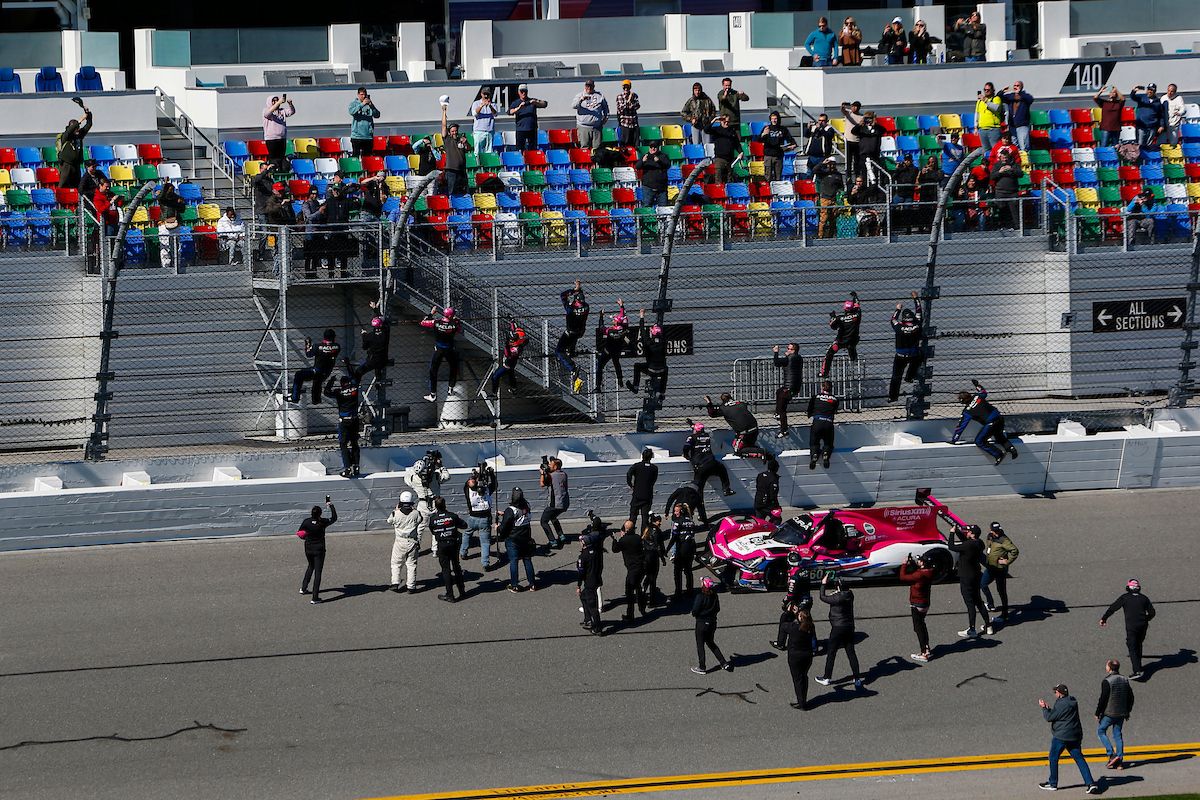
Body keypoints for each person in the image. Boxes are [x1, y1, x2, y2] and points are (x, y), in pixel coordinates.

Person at [1038, 684, 1101, 793]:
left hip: (1061, 736)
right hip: (1075, 736)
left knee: (1053, 757)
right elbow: (1060, 715)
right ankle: (1091, 784)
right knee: (1079, 759)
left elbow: (1049, 717)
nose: (1055, 694)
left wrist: (1044, 708)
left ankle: (1052, 783)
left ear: (1060, 693)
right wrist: (1050, 709)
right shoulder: (1072, 701)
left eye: (1056, 692)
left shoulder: (1061, 703)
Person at [814, 574, 864, 690]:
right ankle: (857, 678)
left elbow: (822, 597)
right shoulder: (850, 595)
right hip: (849, 627)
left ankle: (827, 678)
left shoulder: (837, 598)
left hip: (837, 628)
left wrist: (823, 584)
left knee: (831, 653)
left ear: (839, 587)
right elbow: (838, 594)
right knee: (851, 652)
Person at [952, 379, 1019, 464]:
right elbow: (983, 391)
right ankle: (1011, 449)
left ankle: (998, 454)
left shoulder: (967, 411)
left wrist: (954, 439)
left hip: (991, 423)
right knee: (999, 436)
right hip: (999, 418)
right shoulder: (977, 396)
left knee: (979, 441)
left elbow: (961, 426)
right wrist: (977, 385)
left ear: (962, 401)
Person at [1100, 579, 1155, 679]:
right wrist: (1146, 619)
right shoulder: (1144, 598)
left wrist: (1104, 618)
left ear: (1128, 588)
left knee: (1132, 646)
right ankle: (1138, 664)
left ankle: (1137, 671)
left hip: (1132, 627)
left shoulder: (1125, 598)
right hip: (1143, 625)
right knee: (1138, 643)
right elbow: (1152, 613)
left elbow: (1113, 608)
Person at [947, 524, 990, 637]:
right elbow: (966, 540)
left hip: (966, 577)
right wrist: (957, 531)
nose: (967, 532)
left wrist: (951, 533)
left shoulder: (967, 545)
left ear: (973, 534)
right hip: (976, 574)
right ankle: (988, 625)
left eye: (969, 532)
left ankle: (972, 629)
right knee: (978, 601)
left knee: (970, 603)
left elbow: (951, 546)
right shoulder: (979, 543)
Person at [404, 449, 449, 551]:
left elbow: (407, 476)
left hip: (422, 503)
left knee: (420, 527)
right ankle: (435, 549)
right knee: (437, 525)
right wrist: (441, 467)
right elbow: (447, 477)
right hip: (436, 503)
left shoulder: (413, 479)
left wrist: (416, 467)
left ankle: (416, 547)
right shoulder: (435, 476)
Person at [1095, 659, 1135, 770]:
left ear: (1110, 668)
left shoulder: (1107, 681)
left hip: (1109, 713)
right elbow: (1131, 697)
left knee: (1101, 731)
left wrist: (1098, 713)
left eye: (1106, 665)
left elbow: (1103, 699)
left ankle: (1111, 754)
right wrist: (1128, 711)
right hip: (1121, 713)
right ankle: (1120, 762)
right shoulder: (1124, 679)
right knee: (1117, 735)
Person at [497, 487, 538, 592]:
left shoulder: (510, 510)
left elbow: (504, 526)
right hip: (526, 538)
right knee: (527, 560)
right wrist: (504, 514)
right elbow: (519, 515)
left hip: (513, 539)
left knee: (514, 561)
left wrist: (497, 527)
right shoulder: (527, 506)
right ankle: (532, 584)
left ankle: (514, 585)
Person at [705, 392, 766, 462]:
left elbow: (712, 414)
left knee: (738, 451)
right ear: (731, 397)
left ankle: (761, 452)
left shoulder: (723, 408)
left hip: (744, 433)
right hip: (755, 429)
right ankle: (757, 451)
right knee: (748, 445)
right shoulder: (741, 403)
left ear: (722, 400)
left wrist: (709, 403)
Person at [297, 498, 337, 604]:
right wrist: (331, 505)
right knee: (318, 573)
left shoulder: (306, 521)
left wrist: (306, 538)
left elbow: (300, 533)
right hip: (319, 550)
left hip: (308, 548)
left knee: (310, 566)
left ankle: (303, 588)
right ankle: (315, 598)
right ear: (320, 514)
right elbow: (334, 518)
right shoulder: (322, 522)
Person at [428, 496, 467, 603]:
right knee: (456, 567)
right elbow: (464, 525)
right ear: (445, 505)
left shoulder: (433, 518)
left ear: (435, 506)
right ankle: (462, 591)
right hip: (453, 544)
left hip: (442, 545)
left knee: (446, 570)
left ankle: (450, 595)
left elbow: (432, 530)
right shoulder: (452, 516)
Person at [778, 602, 816, 709]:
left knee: (797, 680)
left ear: (800, 618)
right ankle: (803, 698)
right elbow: (802, 622)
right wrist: (797, 614)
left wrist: (788, 612)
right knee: (804, 677)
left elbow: (783, 625)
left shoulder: (794, 628)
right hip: (807, 656)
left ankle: (802, 703)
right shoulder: (810, 627)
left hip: (795, 657)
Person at [419, 305, 461, 402]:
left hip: (439, 350)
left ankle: (433, 394)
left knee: (433, 371)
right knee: (453, 368)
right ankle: (451, 388)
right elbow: (459, 329)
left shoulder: (436, 322)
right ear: (451, 316)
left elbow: (423, 322)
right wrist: (456, 320)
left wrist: (431, 314)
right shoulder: (454, 324)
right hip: (450, 349)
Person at [691, 577, 732, 674]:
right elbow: (718, 609)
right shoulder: (715, 596)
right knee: (710, 642)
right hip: (712, 623)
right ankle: (723, 662)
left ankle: (702, 667)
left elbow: (695, 611)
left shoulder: (700, 596)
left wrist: (698, 615)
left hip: (701, 624)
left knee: (700, 645)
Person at [899, 552, 935, 662]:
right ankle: (927, 647)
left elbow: (903, 577)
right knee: (922, 625)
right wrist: (914, 563)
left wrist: (904, 564)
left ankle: (924, 653)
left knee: (918, 628)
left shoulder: (919, 575)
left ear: (924, 564)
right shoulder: (930, 572)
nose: (919, 561)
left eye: (921, 561)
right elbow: (917, 570)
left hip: (917, 603)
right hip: (925, 603)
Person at [324, 373, 361, 478]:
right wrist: (348, 364)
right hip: (355, 420)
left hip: (344, 422)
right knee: (354, 443)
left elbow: (326, 392)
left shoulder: (338, 392)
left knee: (343, 444)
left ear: (341, 384)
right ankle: (356, 467)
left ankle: (347, 469)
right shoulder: (354, 389)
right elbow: (355, 377)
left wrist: (331, 381)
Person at [981, 521, 1019, 624]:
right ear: (991, 531)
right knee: (982, 584)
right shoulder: (989, 536)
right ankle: (990, 604)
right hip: (990, 567)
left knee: (1001, 591)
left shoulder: (1004, 539)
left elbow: (1014, 551)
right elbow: (989, 547)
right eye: (995, 531)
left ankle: (1005, 614)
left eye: (998, 530)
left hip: (1000, 569)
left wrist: (1006, 561)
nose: (997, 532)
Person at [555, 280, 590, 393]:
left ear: (575, 300)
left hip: (570, 334)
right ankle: (572, 352)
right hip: (579, 333)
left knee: (559, 351)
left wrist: (574, 290)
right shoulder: (586, 307)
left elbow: (562, 295)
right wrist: (578, 289)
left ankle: (573, 368)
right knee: (570, 351)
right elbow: (580, 300)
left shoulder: (570, 309)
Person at [683, 422, 734, 498]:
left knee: (698, 487)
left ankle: (698, 503)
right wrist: (692, 424)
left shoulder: (691, 437)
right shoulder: (707, 436)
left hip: (700, 466)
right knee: (722, 469)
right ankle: (726, 489)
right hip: (712, 464)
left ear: (695, 431)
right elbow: (699, 431)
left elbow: (686, 447)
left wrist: (686, 456)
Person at [290, 329, 340, 405]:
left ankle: (294, 397)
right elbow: (329, 348)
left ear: (324, 337)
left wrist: (308, 343)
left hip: (317, 370)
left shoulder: (317, 346)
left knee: (298, 374)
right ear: (333, 337)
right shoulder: (337, 347)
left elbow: (308, 354)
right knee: (317, 381)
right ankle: (316, 400)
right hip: (326, 372)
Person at [889, 291, 923, 402]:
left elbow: (893, 319)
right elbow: (919, 311)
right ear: (912, 318)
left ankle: (893, 397)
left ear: (903, 319)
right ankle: (909, 377)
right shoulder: (917, 324)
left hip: (900, 355)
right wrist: (916, 298)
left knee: (895, 377)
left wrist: (898, 309)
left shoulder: (898, 326)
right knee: (919, 357)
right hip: (913, 354)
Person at [627, 309, 669, 399]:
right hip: (661, 370)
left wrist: (641, 316)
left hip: (651, 369)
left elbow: (642, 330)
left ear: (652, 333)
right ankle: (662, 393)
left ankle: (635, 387)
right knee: (666, 368)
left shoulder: (648, 342)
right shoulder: (663, 342)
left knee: (637, 366)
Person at [387, 491, 424, 593]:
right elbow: (420, 520)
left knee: (396, 563)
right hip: (412, 542)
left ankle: (395, 582)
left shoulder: (395, 513)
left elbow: (389, 521)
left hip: (400, 541)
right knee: (411, 564)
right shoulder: (416, 513)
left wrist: (396, 509)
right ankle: (411, 586)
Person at [485, 315, 528, 399]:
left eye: (513, 339)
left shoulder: (516, 349)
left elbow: (509, 355)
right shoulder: (517, 336)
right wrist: (512, 320)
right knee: (511, 375)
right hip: (509, 362)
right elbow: (514, 328)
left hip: (508, 364)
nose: (511, 340)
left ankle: (494, 394)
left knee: (495, 376)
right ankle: (514, 389)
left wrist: (507, 346)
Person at [461, 468, 497, 570]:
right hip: (485, 519)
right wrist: (491, 474)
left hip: (472, 517)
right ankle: (485, 563)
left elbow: (468, 483)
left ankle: (463, 552)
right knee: (485, 542)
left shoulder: (468, 489)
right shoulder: (487, 489)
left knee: (467, 534)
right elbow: (494, 484)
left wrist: (475, 475)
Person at [612, 520, 647, 620]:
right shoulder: (637, 538)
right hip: (641, 567)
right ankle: (642, 608)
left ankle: (630, 614)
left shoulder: (624, 540)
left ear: (626, 530)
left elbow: (615, 549)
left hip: (632, 569)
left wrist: (615, 539)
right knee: (638, 588)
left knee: (629, 592)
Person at [822, 291, 861, 377]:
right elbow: (858, 306)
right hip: (852, 341)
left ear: (845, 309)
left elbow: (833, 326)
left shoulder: (840, 318)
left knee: (830, 353)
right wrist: (855, 297)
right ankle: (853, 357)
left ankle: (824, 373)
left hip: (840, 342)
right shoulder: (857, 316)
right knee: (851, 346)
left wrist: (832, 316)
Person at [668, 501, 702, 598]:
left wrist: (667, 550)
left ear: (681, 511)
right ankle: (690, 590)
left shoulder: (677, 522)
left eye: (676, 511)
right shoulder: (691, 522)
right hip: (690, 549)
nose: (675, 513)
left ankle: (678, 592)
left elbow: (674, 537)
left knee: (677, 571)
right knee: (688, 570)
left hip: (681, 550)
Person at [57, 101, 93, 189]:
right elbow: (69, 130)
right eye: (76, 128)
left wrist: (88, 114)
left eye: (78, 128)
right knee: (63, 183)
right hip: (67, 164)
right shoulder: (65, 136)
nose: (77, 130)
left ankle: (76, 200)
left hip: (76, 164)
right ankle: (60, 200)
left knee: (76, 184)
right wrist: (80, 120)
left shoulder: (79, 135)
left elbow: (89, 124)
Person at [594, 302, 630, 393]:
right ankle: (620, 380)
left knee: (599, 366)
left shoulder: (610, 331)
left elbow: (601, 327)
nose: (612, 320)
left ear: (616, 322)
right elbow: (623, 316)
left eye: (614, 320)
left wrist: (601, 316)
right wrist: (621, 306)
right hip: (616, 351)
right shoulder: (624, 329)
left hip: (608, 351)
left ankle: (598, 386)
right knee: (617, 364)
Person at [577, 522, 605, 634]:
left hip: (589, 582)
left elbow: (580, 572)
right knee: (583, 597)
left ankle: (597, 628)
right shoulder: (596, 552)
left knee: (592, 606)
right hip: (597, 579)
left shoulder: (583, 556)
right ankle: (587, 619)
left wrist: (578, 585)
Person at [439, 103, 471, 196]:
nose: (454, 132)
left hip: (462, 170)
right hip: (451, 170)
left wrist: (466, 143)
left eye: (456, 131)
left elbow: (468, 148)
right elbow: (443, 126)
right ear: (449, 132)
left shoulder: (462, 139)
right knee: (452, 192)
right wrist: (444, 111)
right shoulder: (447, 139)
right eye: (452, 131)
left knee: (465, 192)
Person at [806, 380, 839, 470]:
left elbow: (810, 409)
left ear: (822, 387)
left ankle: (814, 455)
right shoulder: (835, 399)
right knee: (828, 443)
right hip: (828, 422)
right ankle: (826, 454)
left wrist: (810, 415)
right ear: (831, 388)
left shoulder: (816, 397)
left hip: (817, 422)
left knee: (814, 442)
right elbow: (835, 410)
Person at [772, 343, 803, 437]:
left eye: (790, 349)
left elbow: (777, 363)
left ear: (794, 350)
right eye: (788, 348)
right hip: (794, 386)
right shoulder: (798, 357)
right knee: (778, 391)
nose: (788, 350)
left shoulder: (790, 358)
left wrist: (776, 352)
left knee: (782, 409)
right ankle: (777, 414)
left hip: (789, 388)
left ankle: (784, 430)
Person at [539, 456, 569, 549]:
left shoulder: (551, 476)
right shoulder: (564, 474)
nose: (549, 466)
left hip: (555, 503)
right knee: (553, 517)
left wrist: (543, 473)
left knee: (543, 521)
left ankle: (552, 541)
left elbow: (542, 484)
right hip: (565, 503)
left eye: (551, 465)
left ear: (556, 467)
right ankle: (561, 535)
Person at [572, 79, 609, 154]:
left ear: (593, 86)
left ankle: (597, 165)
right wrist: (581, 100)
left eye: (590, 86)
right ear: (585, 86)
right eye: (587, 86)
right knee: (584, 148)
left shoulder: (599, 96)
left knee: (597, 148)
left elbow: (606, 109)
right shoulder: (579, 95)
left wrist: (605, 118)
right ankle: (586, 165)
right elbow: (574, 106)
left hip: (597, 127)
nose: (589, 88)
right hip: (583, 127)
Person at [508, 84, 548, 153]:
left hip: (532, 129)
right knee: (520, 149)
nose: (524, 93)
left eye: (525, 91)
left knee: (533, 149)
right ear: (519, 92)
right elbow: (510, 112)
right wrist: (519, 108)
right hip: (521, 129)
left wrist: (536, 102)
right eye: (522, 91)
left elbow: (544, 104)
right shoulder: (516, 102)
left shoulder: (532, 101)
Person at [626, 448, 658, 532]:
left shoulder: (637, 466)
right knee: (645, 518)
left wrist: (631, 485)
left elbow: (629, 474)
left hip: (637, 495)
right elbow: (654, 480)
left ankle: (630, 533)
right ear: (651, 457)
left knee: (633, 516)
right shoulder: (654, 468)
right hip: (647, 495)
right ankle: (643, 536)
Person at [759, 111, 797, 183]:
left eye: (775, 118)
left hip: (778, 155)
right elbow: (759, 140)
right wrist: (763, 134)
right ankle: (768, 192)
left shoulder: (783, 129)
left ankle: (777, 192)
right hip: (768, 155)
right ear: (770, 119)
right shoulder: (766, 128)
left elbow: (790, 139)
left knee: (778, 177)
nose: (774, 120)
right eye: (772, 119)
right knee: (768, 176)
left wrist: (793, 144)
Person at [990, 149, 1023, 230]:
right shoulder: (997, 165)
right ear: (1000, 157)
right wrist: (999, 172)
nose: (1004, 159)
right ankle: (1002, 227)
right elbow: (992, 177)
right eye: (1003, 157)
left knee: (1014, 211)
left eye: (1006, 157)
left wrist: (1012, 169)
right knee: (1002, 210)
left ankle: (1017, 228)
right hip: (1000, 192)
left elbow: (1020, 174)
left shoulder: (1014, 164)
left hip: (1012, 192)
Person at [999, 81, 1035, 152]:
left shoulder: (1025, 96)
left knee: (1024, 146)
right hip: (1012, 126)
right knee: (1014, 146)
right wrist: (1002, 91)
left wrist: (1020, 93)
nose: (1016, 87)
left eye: (1018, 85)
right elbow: (999, 98)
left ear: (1021, 87)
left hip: (1022, 125)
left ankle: (1026, 162)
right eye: (1015, 85)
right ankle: (1017, 162)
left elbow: (1031, 99)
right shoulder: (1011, 96)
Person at [262, 94, 295, 171]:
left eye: (277, 100)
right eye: (273, 101)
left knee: (281, 158)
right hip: (271, 139)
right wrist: (278, 103)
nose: (276, 102)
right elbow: (267, 114)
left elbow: (292, 112)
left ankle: (281, 173)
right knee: (273, 158)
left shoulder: (282, 111)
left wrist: (290, 104)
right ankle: (273, 172)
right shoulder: (266, 110)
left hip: (282, 138)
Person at [814, 157, 844, 239]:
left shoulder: (838, 175)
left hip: (834, 199)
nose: (832, 166)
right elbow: (815, 170)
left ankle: (830, 236)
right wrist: (822, 163)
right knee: (823, 219)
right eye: (830, 164)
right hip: (825, 199)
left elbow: (841, 187)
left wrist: (840, 196)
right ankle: (820, 236)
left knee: (833, 220)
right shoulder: (823, 173)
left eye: (833, 164)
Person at [708, 114, 742, 184]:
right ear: (721, 121)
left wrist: (741, 152)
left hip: (730, 158)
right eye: (724, 121)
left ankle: (729, 193)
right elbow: (706, 129)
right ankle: (719, 192)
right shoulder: (716, 130)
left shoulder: (732, 131)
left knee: (729, 178)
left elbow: (736, 143)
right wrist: (714, 120)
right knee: (718, 177)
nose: (726, 123)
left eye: (728, 122)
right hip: (719, 158)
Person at [850, 111, 882, 183]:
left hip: (874, 155)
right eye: (867, 118)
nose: (868, 120)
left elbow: (882, 132)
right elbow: (853, 131)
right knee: (864, 173)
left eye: (870, 118)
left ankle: (875, 187)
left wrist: (875, 124)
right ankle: (865, 187)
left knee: (875, 173)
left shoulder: (877, 129)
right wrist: (860, 123)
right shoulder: (862, 128)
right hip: (863, 154)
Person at [1130, 84, 1166, 148]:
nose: (1149, 91)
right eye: (1148, 89)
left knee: (1149, 144)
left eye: (1151, 90)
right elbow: (1133, 97)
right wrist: (1134, 91)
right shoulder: (1141, 97)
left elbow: (1161, 115)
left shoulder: (1158, 102)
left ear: (1154, 91)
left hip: (1152, 126)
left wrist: (1161, 125)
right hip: (1141, 126)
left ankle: (1147, 157)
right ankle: (1140, 157)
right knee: (1140, 143)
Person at [348, 87, 381, 157]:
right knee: (355, 155)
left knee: (367, 157)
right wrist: (362, 104)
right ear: (358, 94)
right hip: (357, 136)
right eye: (362, 94)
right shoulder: (353, 104)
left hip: (368, 136)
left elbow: (377, 115)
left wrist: (372, 106)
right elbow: (351, 112)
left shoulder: (370, 105)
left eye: (365, 95)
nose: (363, 96)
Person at [639, 141, 670, 208]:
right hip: (648, 187)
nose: (653, 149)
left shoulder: (663, 156)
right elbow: (637, 166)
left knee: (663, 207)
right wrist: (643, 161)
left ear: (658, 148)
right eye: (651, 147)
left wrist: (659, 161)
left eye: (655, 147)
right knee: (647, 207)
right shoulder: (645, 156)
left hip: (661, 188)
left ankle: (662, 219)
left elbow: (667, 165)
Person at [839, 101, 864, 182]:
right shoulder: (849, 114)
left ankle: (857, 176)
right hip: (848, 141)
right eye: (853, 106)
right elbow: (843, 110)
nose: (854, 108)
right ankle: (848, 177)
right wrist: (843, 105)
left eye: (856, 107)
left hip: (857, 141)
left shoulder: (861, 117)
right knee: (848, 160)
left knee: (857, 161)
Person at [975, 82, 1003, 152]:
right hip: (982, 129)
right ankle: (987, 162)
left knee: (995, 150)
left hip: (993, 129)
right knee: (985, 150)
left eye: (988, 90)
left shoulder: (996, 99)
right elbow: (977, 113)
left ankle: (996, 163)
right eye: (985, 90)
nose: (986, 91)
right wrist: (975, 126)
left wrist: (985, 100)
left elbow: (996, 108)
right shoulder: (979, 101)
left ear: (993, 90)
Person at [469, 87, 497, 155]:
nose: (486, 96)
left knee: (489, 152)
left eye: (487, 94)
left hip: (490, 131)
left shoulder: (493, 104)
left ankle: (488, 165)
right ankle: (478, 165)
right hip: (479, 132)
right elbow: (474, 113)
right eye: (484, 94)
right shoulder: (476, 103)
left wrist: (490, 106)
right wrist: (481, 106)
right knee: (477, 152)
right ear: (481, 94)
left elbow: (495, 114)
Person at [615, 79, 641, 148]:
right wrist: (628, 101)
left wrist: (631, 103)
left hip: (634, 123)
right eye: (624, 87)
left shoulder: (634, 95)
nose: (626, 88)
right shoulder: (619, 96)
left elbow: (637, 106)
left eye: (627, 87)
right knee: (625, 144)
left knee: (635, 144)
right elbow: (621, 109)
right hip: (625, 124)